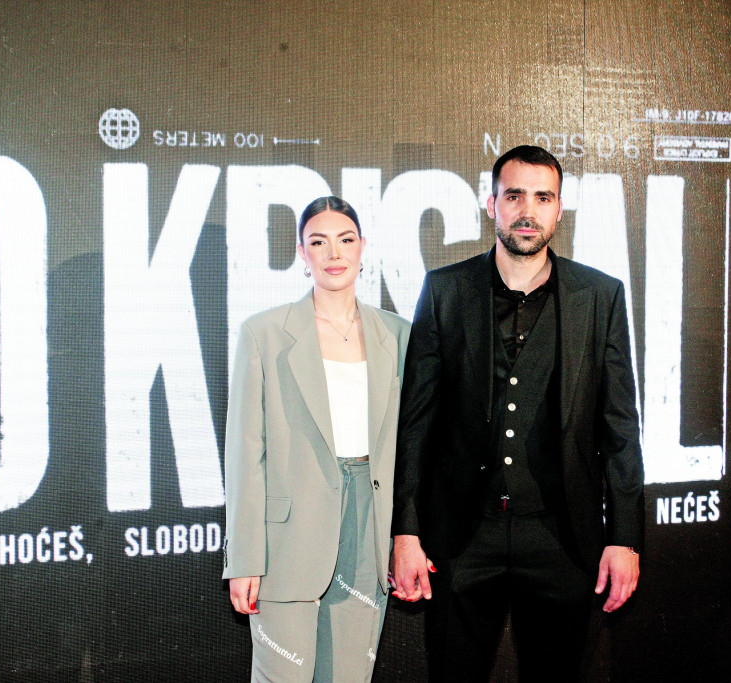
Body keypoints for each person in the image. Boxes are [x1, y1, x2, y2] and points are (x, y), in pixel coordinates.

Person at [390, 145, 645, 681]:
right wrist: (406, 532)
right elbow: (417, 423)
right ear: (492, 205)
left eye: (543, 197)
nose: (528, 210)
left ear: (559, 209)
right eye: (514, 196)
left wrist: (624, 537)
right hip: (463, 538)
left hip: (562, 537)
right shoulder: (445, 290)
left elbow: (620, 428)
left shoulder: (601, 296)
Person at [223, 196, 411, 682]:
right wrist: (244, 559)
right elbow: (245, 455)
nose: (334, 253)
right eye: (318, 242)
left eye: (345, 240)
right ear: (301, 253)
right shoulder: (264, 333)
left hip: (368, 528)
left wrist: (407, 539)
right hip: (286, 540)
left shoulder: (398, 335)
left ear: (362, 247)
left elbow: (413, 450)